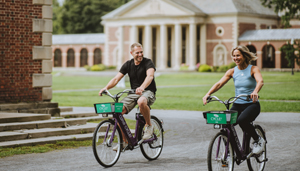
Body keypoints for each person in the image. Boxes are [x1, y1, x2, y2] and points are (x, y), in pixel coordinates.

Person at [202, 45, 265, 155]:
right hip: (237, 104)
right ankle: (231, 150)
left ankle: (258, 140)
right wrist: (208, 94)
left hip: (252, 105)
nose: (236, 58)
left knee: (242, 120)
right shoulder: (232, 71)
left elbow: (260, 81)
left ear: (244, 56)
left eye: (238, 55)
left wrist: (255, 91)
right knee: (226, 123)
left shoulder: (253, 69)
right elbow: (219, 83)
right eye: (234, 56)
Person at [99, 42, 157, 150]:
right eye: (137, 53)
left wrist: (142, 87)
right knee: (118, 112)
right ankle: (124, 141)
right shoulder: (128, 64)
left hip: (148, 91)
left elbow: (150, 76)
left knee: (141, 102)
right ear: (131, 53)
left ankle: (149, 126)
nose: (140, 54)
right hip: (134, 93)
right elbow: (116, 79)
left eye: (141, 52)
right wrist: (106, 88)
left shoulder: (148, 62)